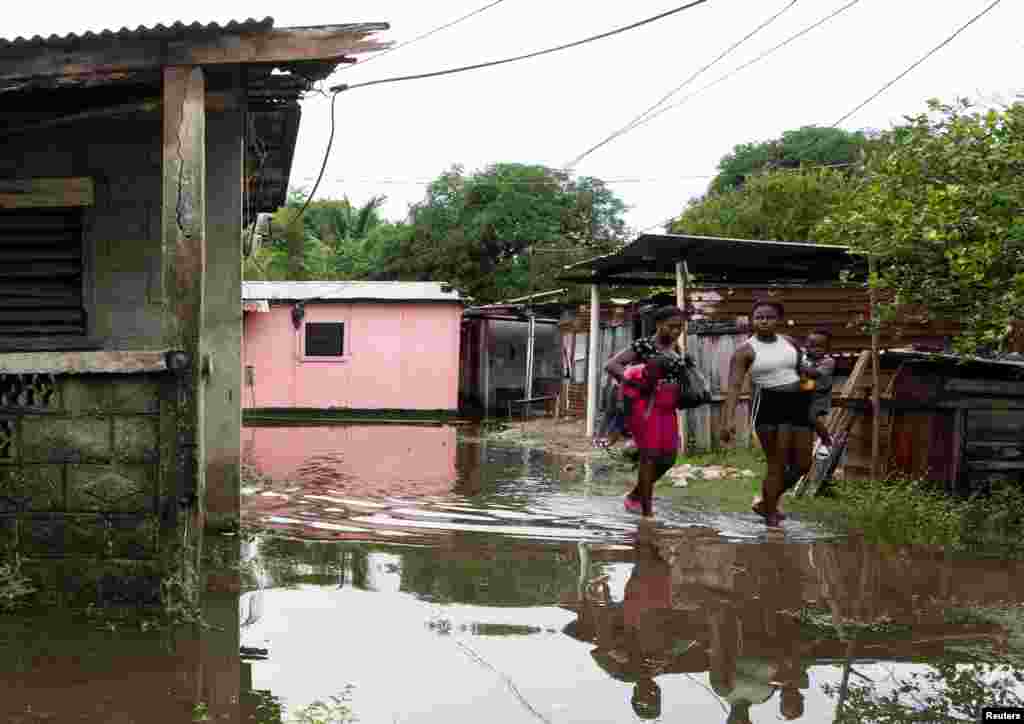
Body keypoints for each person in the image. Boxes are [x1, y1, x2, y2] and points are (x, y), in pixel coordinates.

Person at [720, 300, 813, 525]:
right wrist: (728, 420)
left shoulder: (790, 342)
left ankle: (766, 502)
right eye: (759, 317)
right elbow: (733, 386)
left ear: (778, 319)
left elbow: (803, 373)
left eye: (769, 317)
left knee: (803, 463)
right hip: (768, 404)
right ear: (753, 320)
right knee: (777, 463)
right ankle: (771, 515)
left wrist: (811, 394)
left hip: (797, 403)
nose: (763, 321)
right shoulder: (745, 351)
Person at [604, 306, 690, 516]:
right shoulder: (644, 345)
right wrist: (633, 380)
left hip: (667, 406)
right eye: (672, 327)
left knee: (668, 458)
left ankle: (635, 496)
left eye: (680, 327)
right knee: (649, 456)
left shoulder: (676, 348)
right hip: (644, 406)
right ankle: (646, 511)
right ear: (659, 325)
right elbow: (612, 365)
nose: (676, 331)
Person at [802, 329, 836, 459]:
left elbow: (815, 374)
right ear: (806, 347)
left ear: (827, 348)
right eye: (812, 346)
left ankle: (827, 440)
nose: (816, 349)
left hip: (819, 397)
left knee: (811, 417)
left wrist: (798, 365)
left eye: (821, 346)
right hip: (804, 394)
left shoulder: (828, 361)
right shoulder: (803, 359)